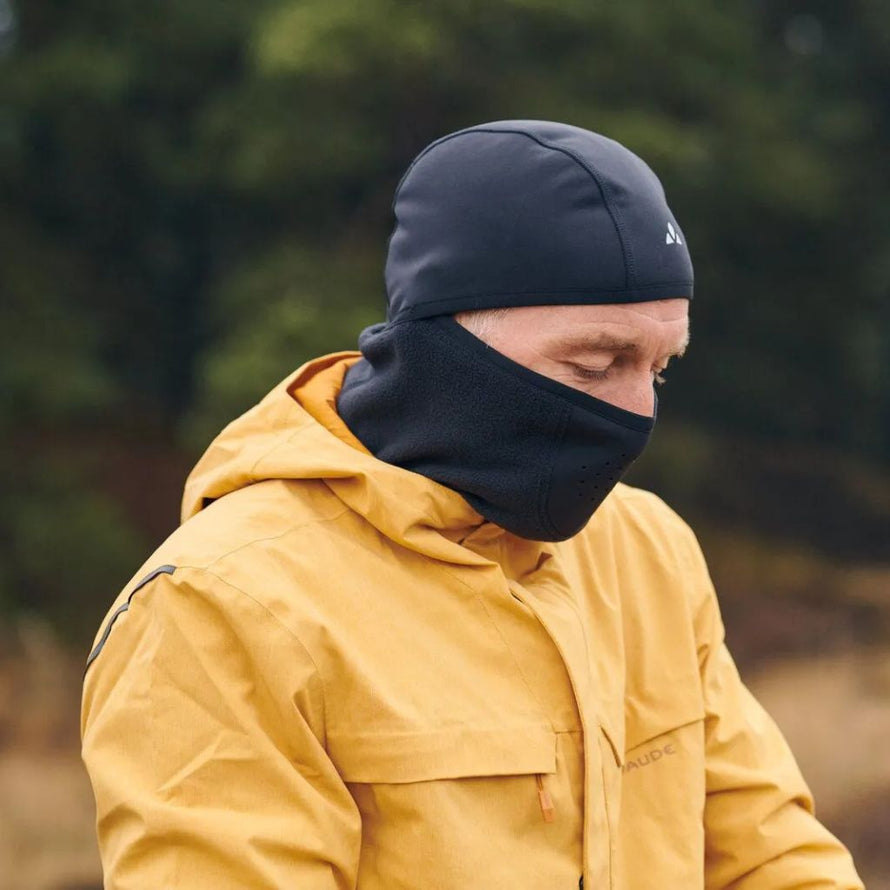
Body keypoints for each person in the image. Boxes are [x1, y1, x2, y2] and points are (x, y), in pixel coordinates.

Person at [81, 121, 862, 889]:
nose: (635, 414)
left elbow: (770, 857)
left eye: (660, 369)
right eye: (595, 363)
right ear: (444, 345)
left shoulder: (646, 546)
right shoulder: (216, 609)